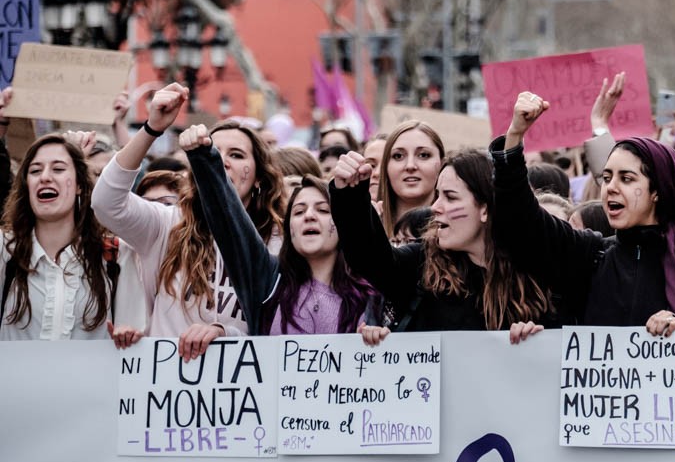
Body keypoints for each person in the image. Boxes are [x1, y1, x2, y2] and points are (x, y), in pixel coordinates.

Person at [492, 91, 675, 333]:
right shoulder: (590, 257)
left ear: (656, 192)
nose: (611, 188)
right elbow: (522, 223)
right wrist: (515, 136)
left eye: (626, 179)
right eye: (606, 178)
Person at [92, 83, 285, 358]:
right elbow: (105, 202)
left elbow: (277, 328)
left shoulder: (277, 242)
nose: (222, 162)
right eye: (215, 153)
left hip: (239, 392)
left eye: (237, 155)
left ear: (258, 180)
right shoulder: (167, 226)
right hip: (167, 390)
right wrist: (151, 128)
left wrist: (224, 334)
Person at [179, 125, 386, 340]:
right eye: (298, 212)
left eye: (323, 210)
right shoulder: (269, 279)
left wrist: (380, 336)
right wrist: (203, 157)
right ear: (289, 228)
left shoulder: (371, 294)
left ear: (342, 225)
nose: (309, 216)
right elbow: (228, 219)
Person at [331, 148, 555, 335]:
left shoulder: (533, 271)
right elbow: (368, 257)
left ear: (485, 209)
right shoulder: (421, 265)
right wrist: (350, 193)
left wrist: (534, 339)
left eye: (450, 197)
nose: (436, 207)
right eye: (437, 195)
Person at [0, 130, 145, 341]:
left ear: (79, 185)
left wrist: (129, 335)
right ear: (26, 185)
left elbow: (135, 331)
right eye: (35, 171)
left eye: (58, 169)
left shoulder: (115, 254)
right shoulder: (6, 250)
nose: (45, 177)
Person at [376, 120, 445, 240]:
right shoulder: (367, 229)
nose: (410, 166)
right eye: (398, 156)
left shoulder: (460, 237)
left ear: (442, 164)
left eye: (423, 155)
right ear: (385, 166)